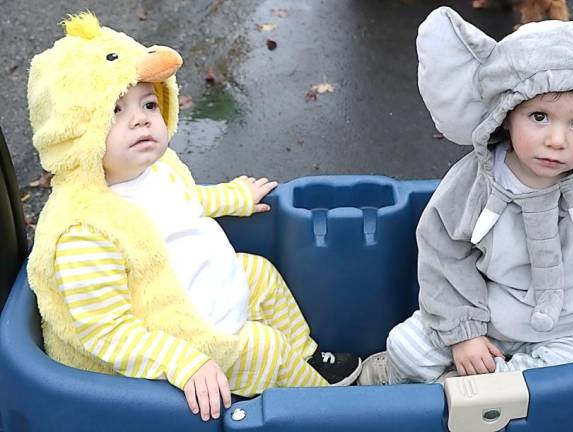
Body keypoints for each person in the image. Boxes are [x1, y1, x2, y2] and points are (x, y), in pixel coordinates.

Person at [26, 12, 361, 421]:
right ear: (75, 133)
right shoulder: (84, 230)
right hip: (177, 337)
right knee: (264, 349)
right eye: (114, 110)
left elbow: (187, 200)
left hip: (201, 291)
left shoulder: (156, 169)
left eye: (149, 103)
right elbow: (106, 330)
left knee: (259, 274)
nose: (141, 118)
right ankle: (328, 408)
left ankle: (309, 358)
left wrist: (235, 197)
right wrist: (185, 363)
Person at [358, 0, 573, 385]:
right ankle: (396, 376)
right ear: (507, 114)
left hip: (569, 329)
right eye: (539, 117)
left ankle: (468, 392)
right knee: (406, 345)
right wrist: (464, 332)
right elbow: (444, 255)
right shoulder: (475, 182)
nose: (557, 140)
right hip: (485, 315)